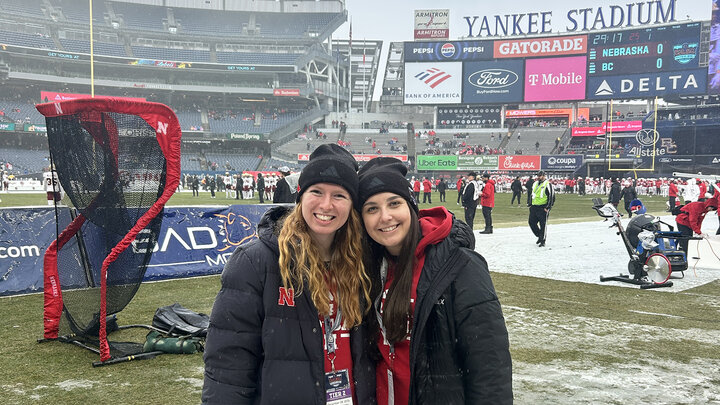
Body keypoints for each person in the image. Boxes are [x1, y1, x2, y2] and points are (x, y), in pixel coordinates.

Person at [202, 144, 376, 404]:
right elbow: (228, 365)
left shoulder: (362, 262)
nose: (326, 204)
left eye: (339, 195)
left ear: (352, 205)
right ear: (301, 196)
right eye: (316, 191)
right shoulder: (255, 261)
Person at [357, 157, 513, 405]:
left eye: (394, 203)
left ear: (411, 206)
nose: (384, 217)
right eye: (371, 208)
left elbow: (489, 367)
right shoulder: (368, 268)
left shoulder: (461, 265)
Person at [529, 170, 555, 247]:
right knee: (531, 222)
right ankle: (539, 236)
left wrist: (548, 207)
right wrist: (530, 204)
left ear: (544, 176)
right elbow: (532, 194)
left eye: (540, 176)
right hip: (534, 206)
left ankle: (542, 240)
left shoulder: (548, 184)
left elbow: (552, 196)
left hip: (543, 207)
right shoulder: (535, 183)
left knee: (543, 224)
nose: (539, 177)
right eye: (538, 176)